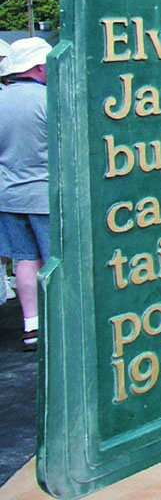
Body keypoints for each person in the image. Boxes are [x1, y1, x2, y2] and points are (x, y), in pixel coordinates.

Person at [0, 38, 52, 351]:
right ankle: (61, 322)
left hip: (8, 196)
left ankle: (31, 325)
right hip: (44, 195)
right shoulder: (48, 101)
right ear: (38, 66)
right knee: (55, 260)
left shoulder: (2, 99)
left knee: (24, 260)